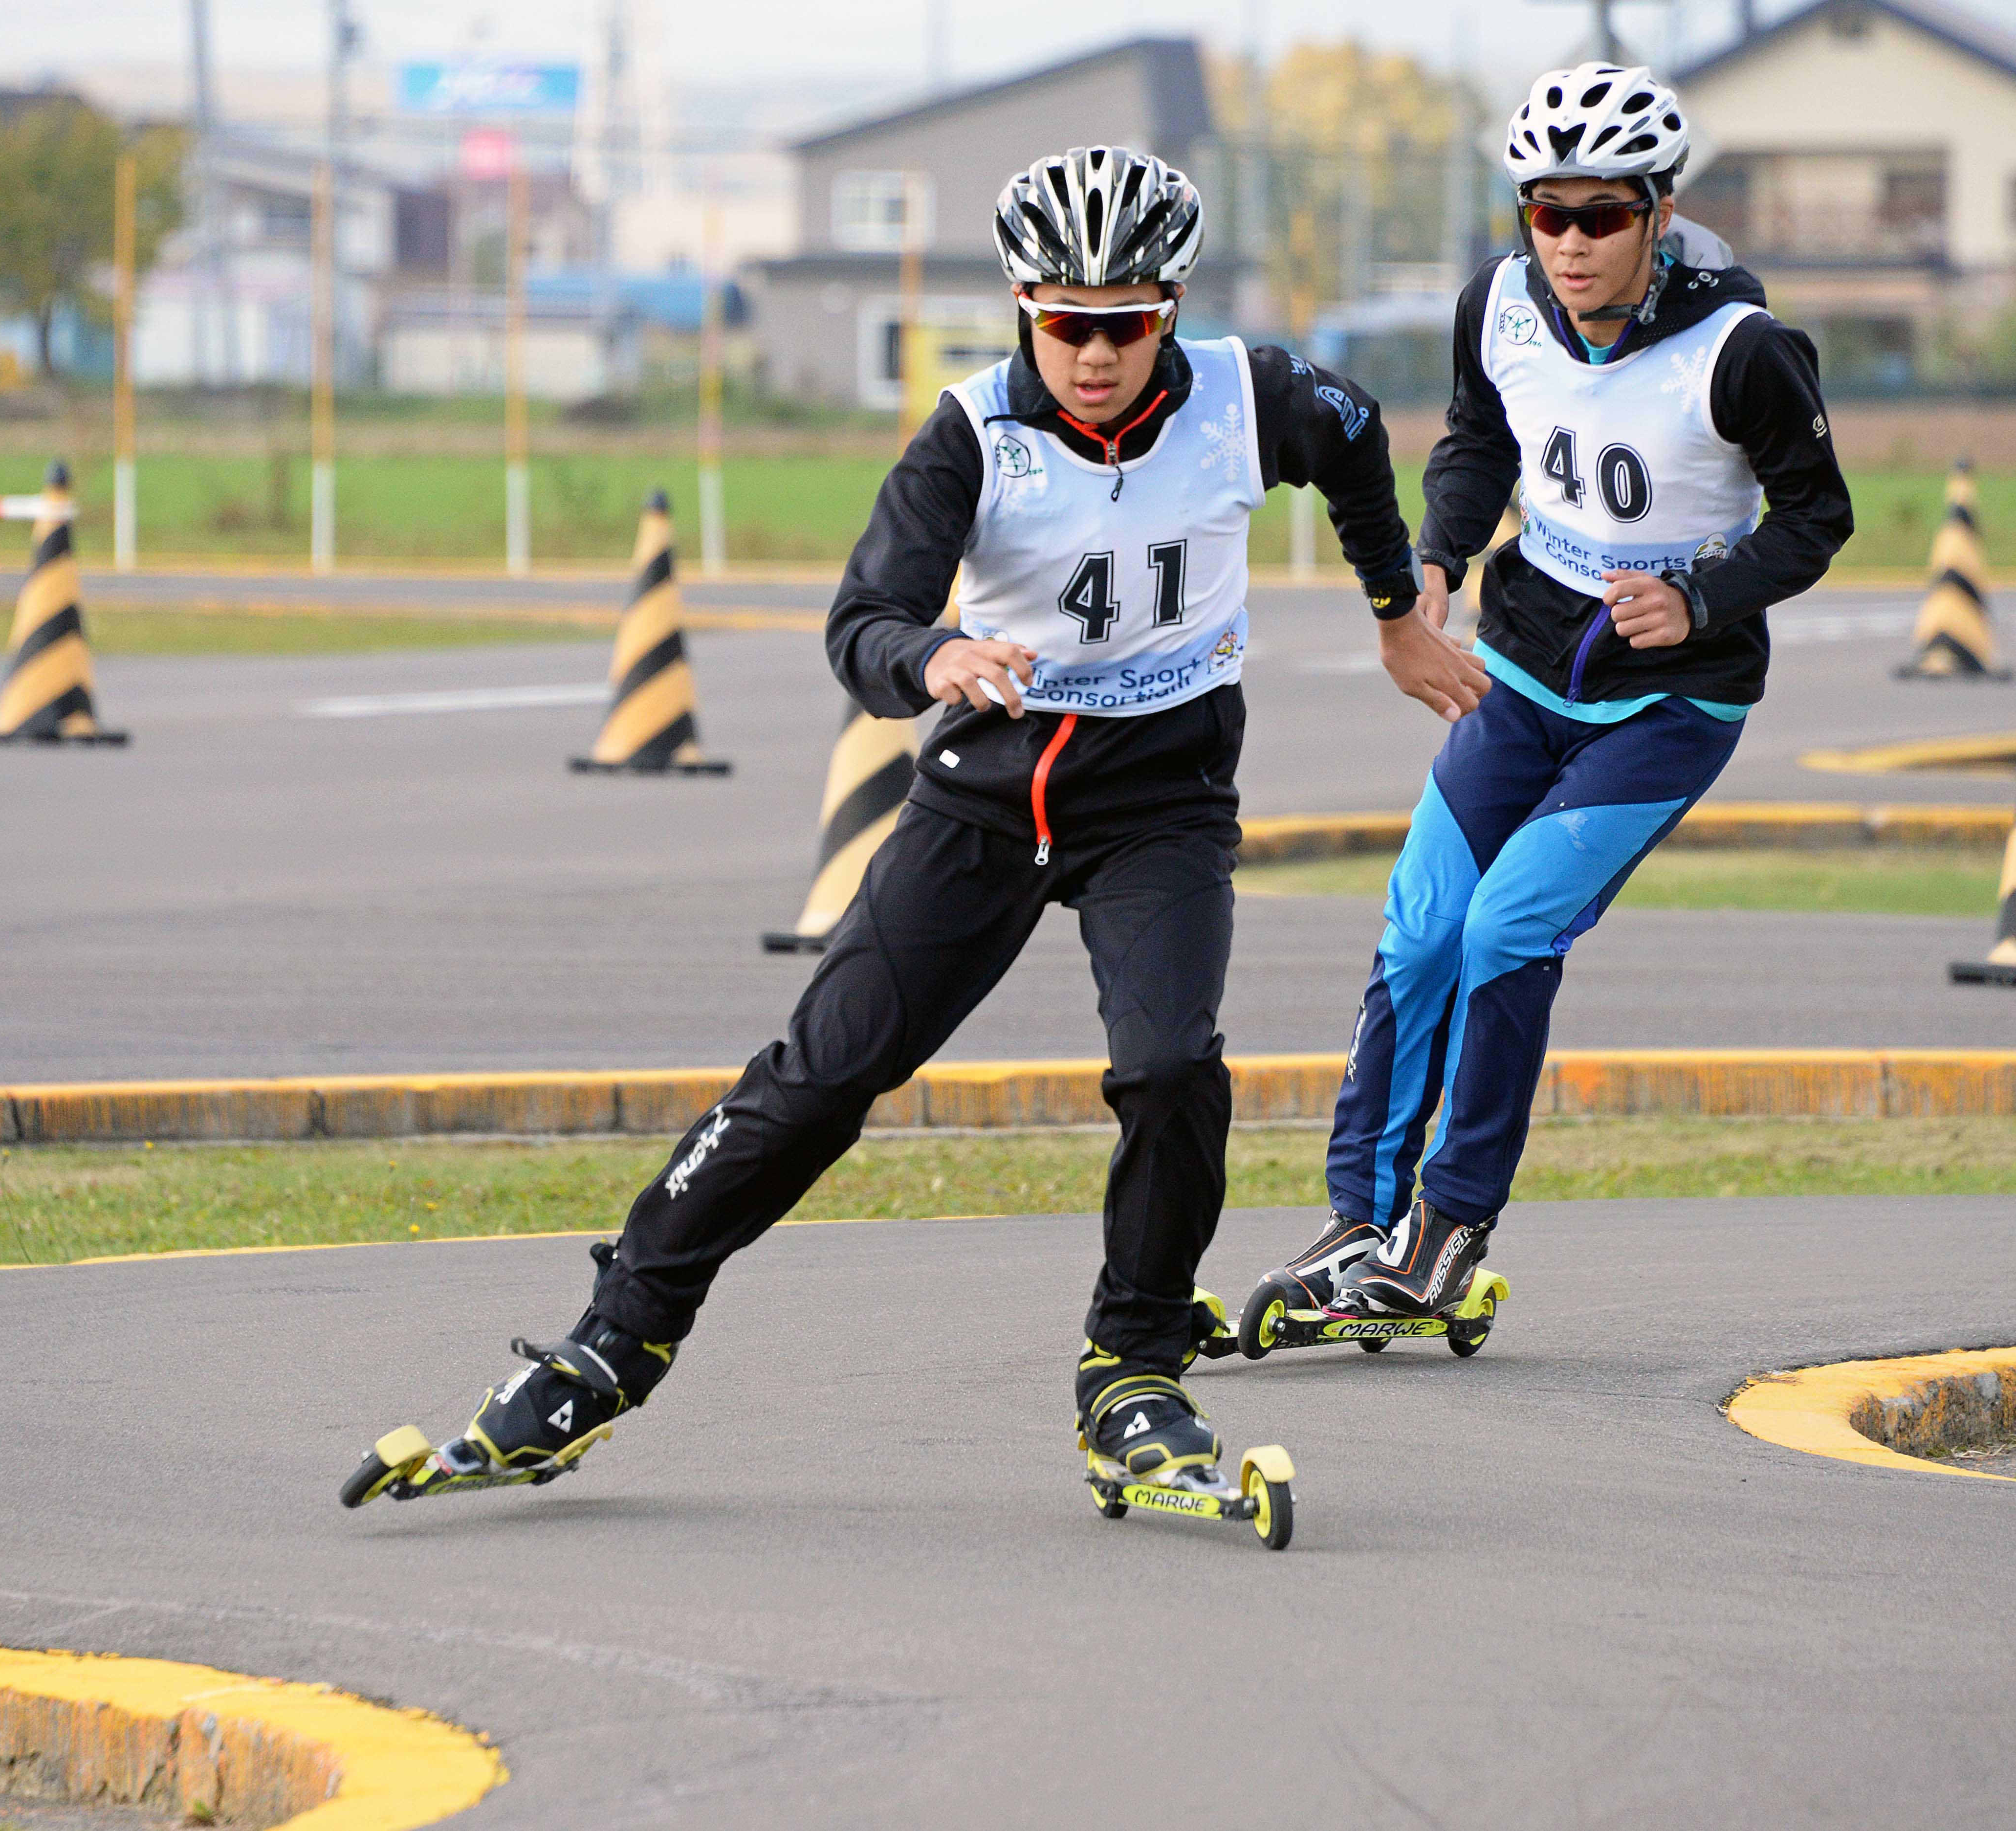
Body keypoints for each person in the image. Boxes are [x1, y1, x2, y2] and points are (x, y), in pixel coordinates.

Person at [354, 144, 1424, 1508]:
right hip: (985, 796)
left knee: (1168, 1068)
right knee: (818, 1081)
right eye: (1062, 322)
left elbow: (1356, 442)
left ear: (1168, 309)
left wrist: (1396, 608)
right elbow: (859, 625)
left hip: (1161, 801)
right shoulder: (970, 434)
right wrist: (933, 662)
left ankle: (1135, 1367)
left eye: (1123, 322)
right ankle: (609, 1345)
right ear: (1023, 308)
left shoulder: (1247, 396)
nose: (1093, 353)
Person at [1259, 66, 1854, 1320]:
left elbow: (1817, 517)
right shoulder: (1499, 306)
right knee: (1423, 929)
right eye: (1548, 213)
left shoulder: (1744, 353)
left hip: (1669, 705)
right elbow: (1480, 439)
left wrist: (1700, 598)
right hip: (1523, 665)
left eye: (1604, 215)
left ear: (1661, 209)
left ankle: (1451, 1224)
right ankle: (1356, 1221)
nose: (1572, 243)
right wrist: (1436, 552)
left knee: (1505, 929)